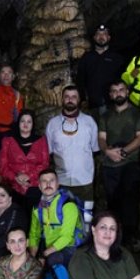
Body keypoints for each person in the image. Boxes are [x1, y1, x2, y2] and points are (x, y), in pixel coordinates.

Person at [98, 80, 140, 251]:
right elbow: (102, 138)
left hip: (130, 163)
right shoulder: (105, 116)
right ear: (111, 95)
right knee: (113, 203)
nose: (118, 93)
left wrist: (123, 152)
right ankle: (115, 239)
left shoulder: (137, 114)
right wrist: (108, 152)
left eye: (121, 90)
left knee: (130, 201)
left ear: (127, 92)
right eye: (114, 91)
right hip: (110, 165)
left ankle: (131, 237)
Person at [45, 85, 98, 220]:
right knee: (63, 217)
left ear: (79, 100)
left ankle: (87, 239)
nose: (70, 100)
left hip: (85, 180)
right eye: (67, 97)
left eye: (74, 97)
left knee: (87, 216)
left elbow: (95, 149)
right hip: (61, 181)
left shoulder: (89, 122)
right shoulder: (52, 124)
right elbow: (49, 152)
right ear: (62, 99)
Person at [28, 169, 79, 279]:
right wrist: (31, 259)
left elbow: (66, 237)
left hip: (71, 247)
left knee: (53, 260)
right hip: (49, 246)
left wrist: (44, 255)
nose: (48, 184)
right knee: (34, 264)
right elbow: (34, 234)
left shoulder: (68, 205)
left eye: (52, 180)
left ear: (57, 184)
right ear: (39, 186)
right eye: (44, 181)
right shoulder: (37, 208)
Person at [0, 109, 49, 211]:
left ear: (33, 124)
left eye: (29, 121)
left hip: (35, 184)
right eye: (23, 121)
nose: (25, 124)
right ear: (18, 123)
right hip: (13, 184)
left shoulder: (41, 140)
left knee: (35, 200)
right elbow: (2, 166)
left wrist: (28, 176)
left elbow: (45, 163)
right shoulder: (8, 140)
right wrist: (15, 177)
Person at [76, 24, 126, 118]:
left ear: (109, 37)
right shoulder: (87, 57)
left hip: (112, 104)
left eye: (104, 34)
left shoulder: (117, 58)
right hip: (92, 105)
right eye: (98, 34)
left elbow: (124, 80)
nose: (101, 37)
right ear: (94, 37)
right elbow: (80, 80)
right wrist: (82, 99)